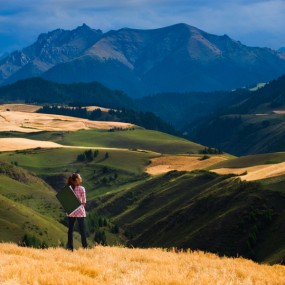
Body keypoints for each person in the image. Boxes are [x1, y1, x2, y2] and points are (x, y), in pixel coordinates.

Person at [66, 173, 88, 251]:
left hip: (71, 211)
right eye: (79, 177)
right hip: (80, 212)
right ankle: (85, 248)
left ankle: (70, 249)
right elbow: (84, 202)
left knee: (70, 231)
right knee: (82, 230)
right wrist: (81, 208)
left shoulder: (68, 188)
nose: (81, 178)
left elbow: (66, 201)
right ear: (76, 180)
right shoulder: (82, 188)